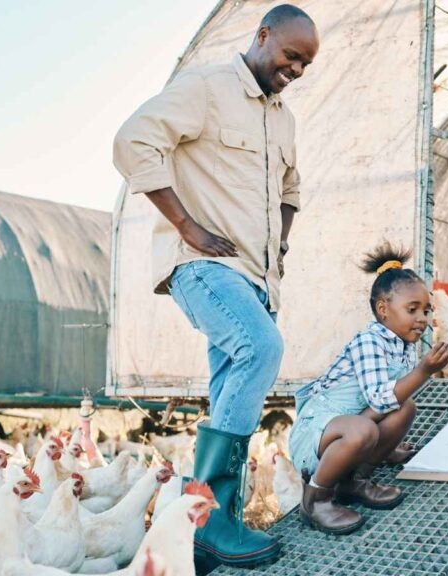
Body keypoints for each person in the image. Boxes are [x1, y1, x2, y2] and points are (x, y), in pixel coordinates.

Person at [112, 4, 319, 569]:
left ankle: (195, 533)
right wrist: (185, 225)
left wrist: (281, 244)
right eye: (291, 55)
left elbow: (292, 187)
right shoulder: (205, 87)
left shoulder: (284, 119)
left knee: (234, 377)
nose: (297, 69)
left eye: (306, 63)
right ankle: (216, 516)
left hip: (258, 277)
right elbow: (134, 143)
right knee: (262, 349)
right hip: (202, 266)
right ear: (262, 36)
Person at [289, 243, 448, 534]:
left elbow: (390, 402)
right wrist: (424, 371)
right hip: (316, 432)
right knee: (364, 430)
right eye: (412, 309)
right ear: (383, 310)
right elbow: (379, 398)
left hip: (351, 425)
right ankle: (315, 499)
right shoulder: (370, 341)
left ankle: (355, 481)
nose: (422, 319)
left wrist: (387, 447)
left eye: (426, 311)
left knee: (406, 409)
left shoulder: (401, 342)